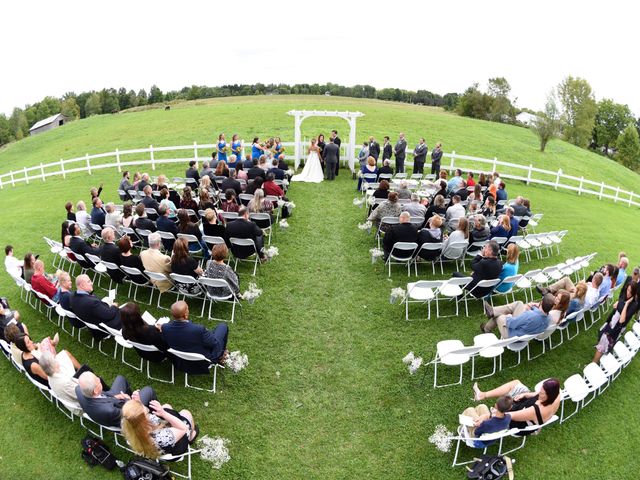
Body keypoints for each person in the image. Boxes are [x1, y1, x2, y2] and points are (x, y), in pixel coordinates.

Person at [472, 378, 561, 433]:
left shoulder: (537, 410)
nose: (540, 393)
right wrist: (526, 394)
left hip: (520, 423)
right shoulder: (556, 395)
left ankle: (486, 416)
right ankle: (482, 395)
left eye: (542, 393)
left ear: (548, 395)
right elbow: (537, 394)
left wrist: (488, 415)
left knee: (500, 408)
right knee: (516, 383)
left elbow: (509, 416)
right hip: (526, 406)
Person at [160, 301, 229, 372]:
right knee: (222, 327)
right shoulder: (198, 330)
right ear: (185, 315)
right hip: (205, 361)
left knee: (209, 335)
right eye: (188, 309)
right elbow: (213, 343)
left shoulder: (165, 327)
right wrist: (207, 333)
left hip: (181, 360)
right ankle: (221, 356)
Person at [121, 398, 198, 458]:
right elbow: (183, 429)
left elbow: (137, 417)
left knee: (166, 407)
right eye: (147, 413)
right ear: (143, 422)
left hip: (152, 446)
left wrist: (137, 405)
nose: (148, 410)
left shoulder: (129, 426)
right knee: (186, 413)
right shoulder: (160, 437)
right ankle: (191, 438)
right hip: (174, 448)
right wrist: (164, 413)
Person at [76, 371, 156, 428]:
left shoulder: (79, 389)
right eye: (98, 381)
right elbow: (130, 416)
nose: (99, 378)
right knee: (148, 390)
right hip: (126, 418)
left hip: (110, 401)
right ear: (96, 391)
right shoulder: (110, 411)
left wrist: (116, 397)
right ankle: (155, 415)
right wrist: (133, 401)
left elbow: (102, 397)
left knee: (120, 379)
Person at [592, 282, 639, 363]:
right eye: (628, 290)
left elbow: (622, 320)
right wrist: (620, 304)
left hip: (616, 328)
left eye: (631, 292)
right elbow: (615, 306)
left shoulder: (634, 304)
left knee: (602, 345)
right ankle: (598, 358)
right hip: (611, 322)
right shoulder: (624, 296)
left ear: (634, 293)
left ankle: (593, 363)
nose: (628, 293)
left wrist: (626, 304)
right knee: (602, 340)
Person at [481, 294, 555, 337]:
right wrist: (533, 306)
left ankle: (486, 329)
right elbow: (539, 315)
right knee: (519, 303)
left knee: (500, 316)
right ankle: (493, 311)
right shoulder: (549, 319)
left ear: (541, 302)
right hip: (524, 334)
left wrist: (509, 316)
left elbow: (511, 324)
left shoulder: (530, 315)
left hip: (512, 334)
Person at [38, 351, 84, 415]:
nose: (56, 359)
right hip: (80, 406)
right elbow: (82, 395)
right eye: (54, 358)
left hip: (71, 399)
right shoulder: (65, 382)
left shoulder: (50, 377)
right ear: (52, 365)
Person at [539, 272, 603, 309]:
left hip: (578, 300)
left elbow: (583, 301)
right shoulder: (596, 289)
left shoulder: (592, 293)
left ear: (594, 280)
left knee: (561, 292)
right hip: (577, 293)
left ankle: (547, 301)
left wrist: (576, 291)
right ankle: (547, 290)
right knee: (566, 279)